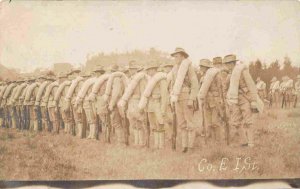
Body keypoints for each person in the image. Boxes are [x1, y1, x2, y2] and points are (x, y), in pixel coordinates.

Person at [224, 54, 261, 148]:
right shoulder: (230, 75)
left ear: (233, 63)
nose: (228, 65)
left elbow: (251, 85)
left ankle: (251, 143)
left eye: (229, 63)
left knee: (248, 121)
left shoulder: (242, 71)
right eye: (226, 64)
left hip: (245, 98)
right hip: (234, 100)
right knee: (235, 122)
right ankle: (244, 141)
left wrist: (253, 100)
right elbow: (225, 88)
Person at [169, 47, 199, 153]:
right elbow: (172, 83)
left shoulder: (188, 67)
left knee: (189, 122)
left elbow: (195, 84)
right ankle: (184, 146)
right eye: (174, 57)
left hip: (186, 96)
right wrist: (172, 96)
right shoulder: (174, 68)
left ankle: (190, 146)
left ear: (182, 56)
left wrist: (191, 99)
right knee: (181, 123)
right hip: (177, 98)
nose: (175, 58)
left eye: (177, 56)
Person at [198, 59, 225, 144]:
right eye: (201, 66)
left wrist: (221, 100)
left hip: (215, 100)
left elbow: (221, 88)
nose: (201, 68)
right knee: (208, 123)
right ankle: (211, 141)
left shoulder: (215, 75)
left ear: (206, 67)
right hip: (206, 102)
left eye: (202, 67)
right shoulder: (202, 78)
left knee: (215, 122)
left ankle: (219, 141)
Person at [103, 64, 128, 145]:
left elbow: (116, 93)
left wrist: (111, 104)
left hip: (117, 103)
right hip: (121, 103)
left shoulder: (116, 79)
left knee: (117, 123)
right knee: (121, 123)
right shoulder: (121, 78)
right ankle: (123, 141)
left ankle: (120, 142)